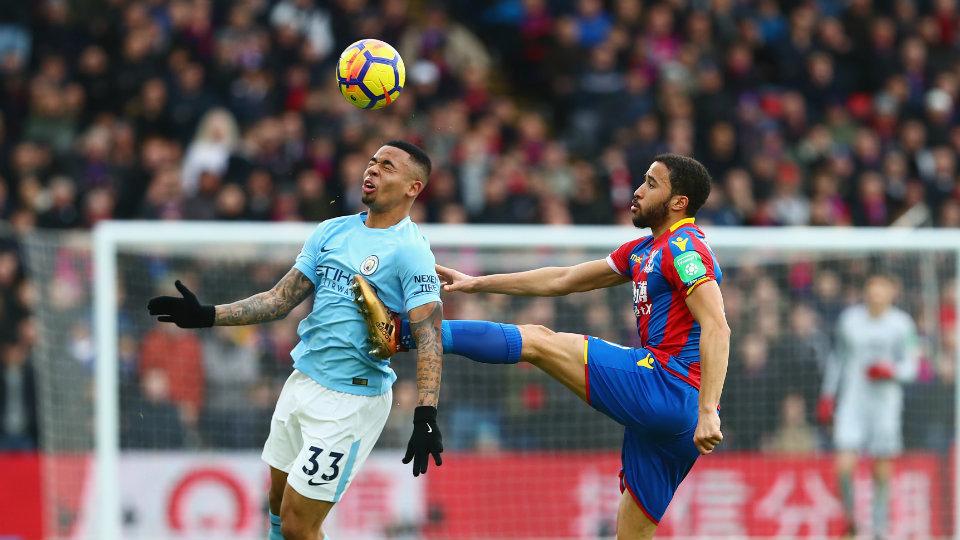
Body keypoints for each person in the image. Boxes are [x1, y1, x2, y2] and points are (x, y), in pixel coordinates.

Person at [361, 153, 730, 539]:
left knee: (537, 340)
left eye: (652, 184)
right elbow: (563, 278)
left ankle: (401, 335)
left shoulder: (685, 249)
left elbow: (718, 327)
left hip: (670, 387)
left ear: (679, 203)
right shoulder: (643, 250)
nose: (638, 190)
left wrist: (708, 411)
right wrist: (477, 283)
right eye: (643, 179)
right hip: (671, 419)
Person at [147, 141, 444, 540]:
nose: (371, 170)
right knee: (276, 506)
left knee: (299, 526)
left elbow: (429, 334)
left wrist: (426, 414)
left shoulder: (411, 252)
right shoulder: (332, 231)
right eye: (371, 161)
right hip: (302, 382)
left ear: (413, 187)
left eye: (387, 166)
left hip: (351, 401)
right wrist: (207, 315)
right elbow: (279, 300)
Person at [817, 274, 919, 537]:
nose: (875, 294)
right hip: (853, 403)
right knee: (843, 467)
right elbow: (837, 359)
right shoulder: (850, 320)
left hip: (885, 406)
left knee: (881, 471)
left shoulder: (902, 324)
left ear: (890, 292)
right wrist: (828, 395)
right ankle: (850, 519)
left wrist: (891, 371)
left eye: (881, 289)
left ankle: (879, 529)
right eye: (871, 289)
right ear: (866, 291)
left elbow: (912, 366)